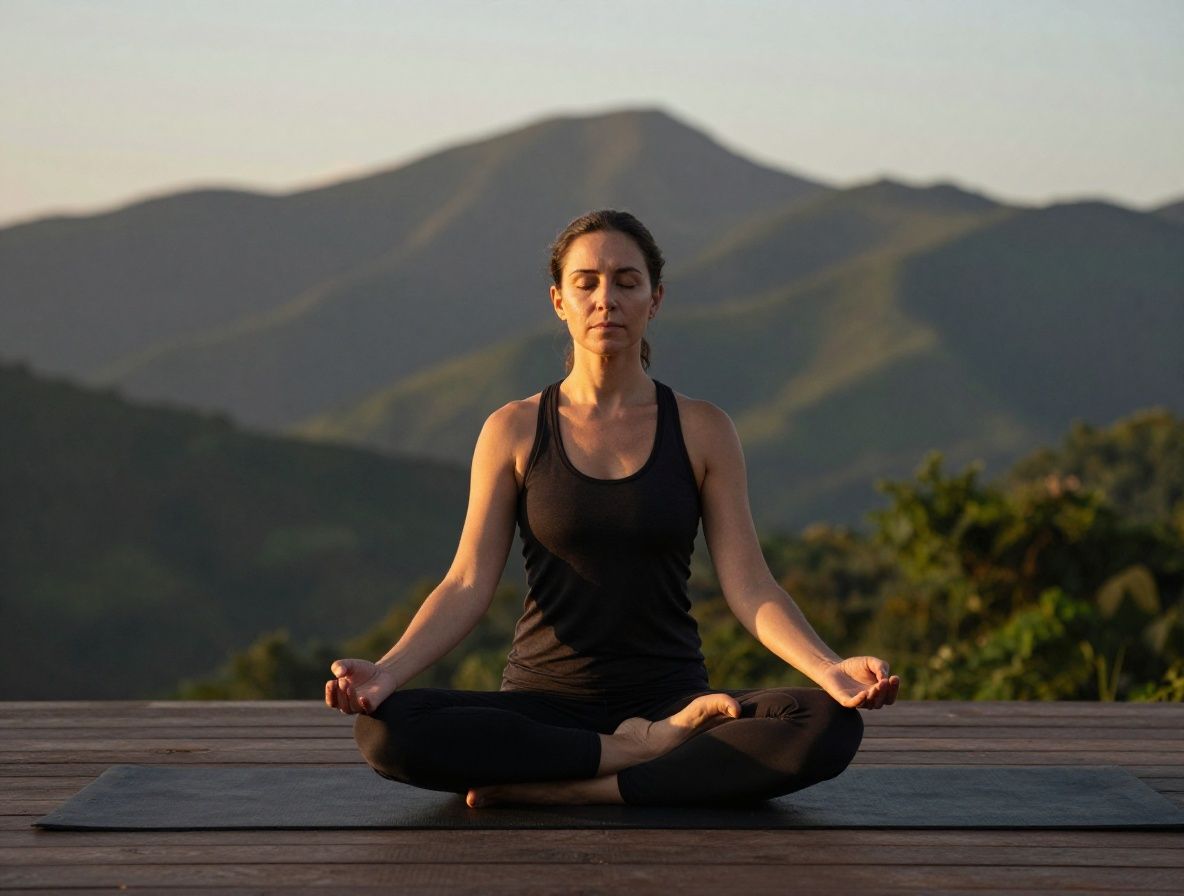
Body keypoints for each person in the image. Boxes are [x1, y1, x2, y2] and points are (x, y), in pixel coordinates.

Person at [325, 209, 900, 808]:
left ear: (654, 300)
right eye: (587, 282)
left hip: (675, 702)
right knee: (386, 730)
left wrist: (828, 668)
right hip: (544, 705)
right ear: (559, 301)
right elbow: (466, 582)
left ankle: (577, 788)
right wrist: (387, 672)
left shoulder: (703, 430)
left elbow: (751, 585)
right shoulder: (514, 429)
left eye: (627, 282)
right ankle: (636, 758)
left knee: (825, 723)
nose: (607, 299)